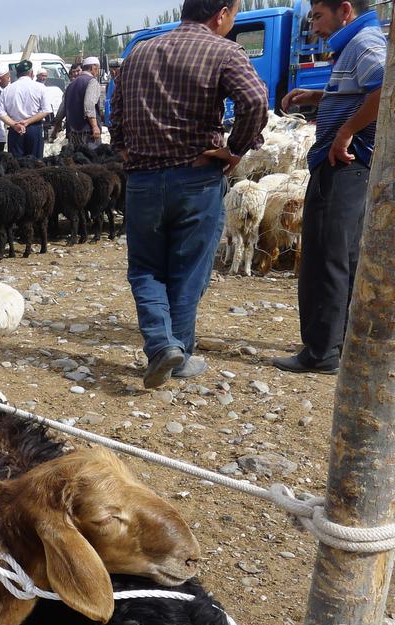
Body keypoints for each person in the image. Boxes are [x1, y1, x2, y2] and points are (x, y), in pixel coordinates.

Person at [112, 0, 268, 388]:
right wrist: (236, 149)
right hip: (196, 180)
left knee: (146, 268)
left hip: (144, 182)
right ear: (222, 14)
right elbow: (255, 100)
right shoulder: (224, 50)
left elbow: (116, 110)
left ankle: (162, 345)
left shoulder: (139, 52)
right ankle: (177, 353)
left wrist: (125, 147)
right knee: (188, 270)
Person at [272, 0, 385, 374]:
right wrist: (321, 97)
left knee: (325, 257)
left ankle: (321, 352)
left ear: (345, 10)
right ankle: (340, 342)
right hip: (348, 166)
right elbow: (362, 91)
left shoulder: (363, 43)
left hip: (344, 165)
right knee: (343, 255)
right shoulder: (355, 43)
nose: (315, 28)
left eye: (318, 16)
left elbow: (385, 89)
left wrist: (346, 132)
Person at [0, 61, 49, 159]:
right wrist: (27, 122)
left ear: (17, 74)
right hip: (34, 129)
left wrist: (14, 124)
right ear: (32, 73)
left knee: (16, 165)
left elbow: (1, 113)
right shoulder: (40, 87)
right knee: (36, 164)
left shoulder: (7, 90)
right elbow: (45, 111)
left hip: (15, 130)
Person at [57, 56, 104, 151]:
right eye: (97, 69)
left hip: (73, 135)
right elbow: (89, 106)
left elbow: (62, 110)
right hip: (87, 134)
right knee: (92, 161)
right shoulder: (92, 82)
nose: (98, 72)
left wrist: (56, 128)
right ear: (93, 68)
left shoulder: (71, 84)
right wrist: (95, 127)